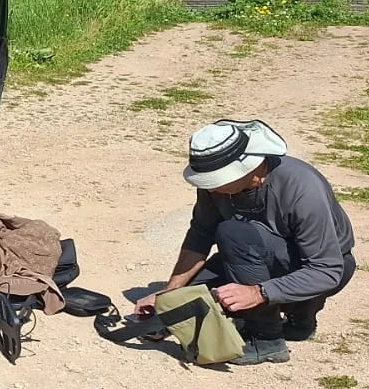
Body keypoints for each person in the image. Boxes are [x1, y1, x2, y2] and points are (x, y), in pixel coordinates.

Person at [136, 119, 356, 365]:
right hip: (258, 255)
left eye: (216, 181)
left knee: (233, 234)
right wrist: (170, 296)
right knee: (190, 294)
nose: (211, 188)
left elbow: (327, 269)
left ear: (252, 167)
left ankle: (267, 340)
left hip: (321, 269)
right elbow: (200, 235)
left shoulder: (302, 188)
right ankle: (300, 322)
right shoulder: (216, 188)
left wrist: (259, 293)